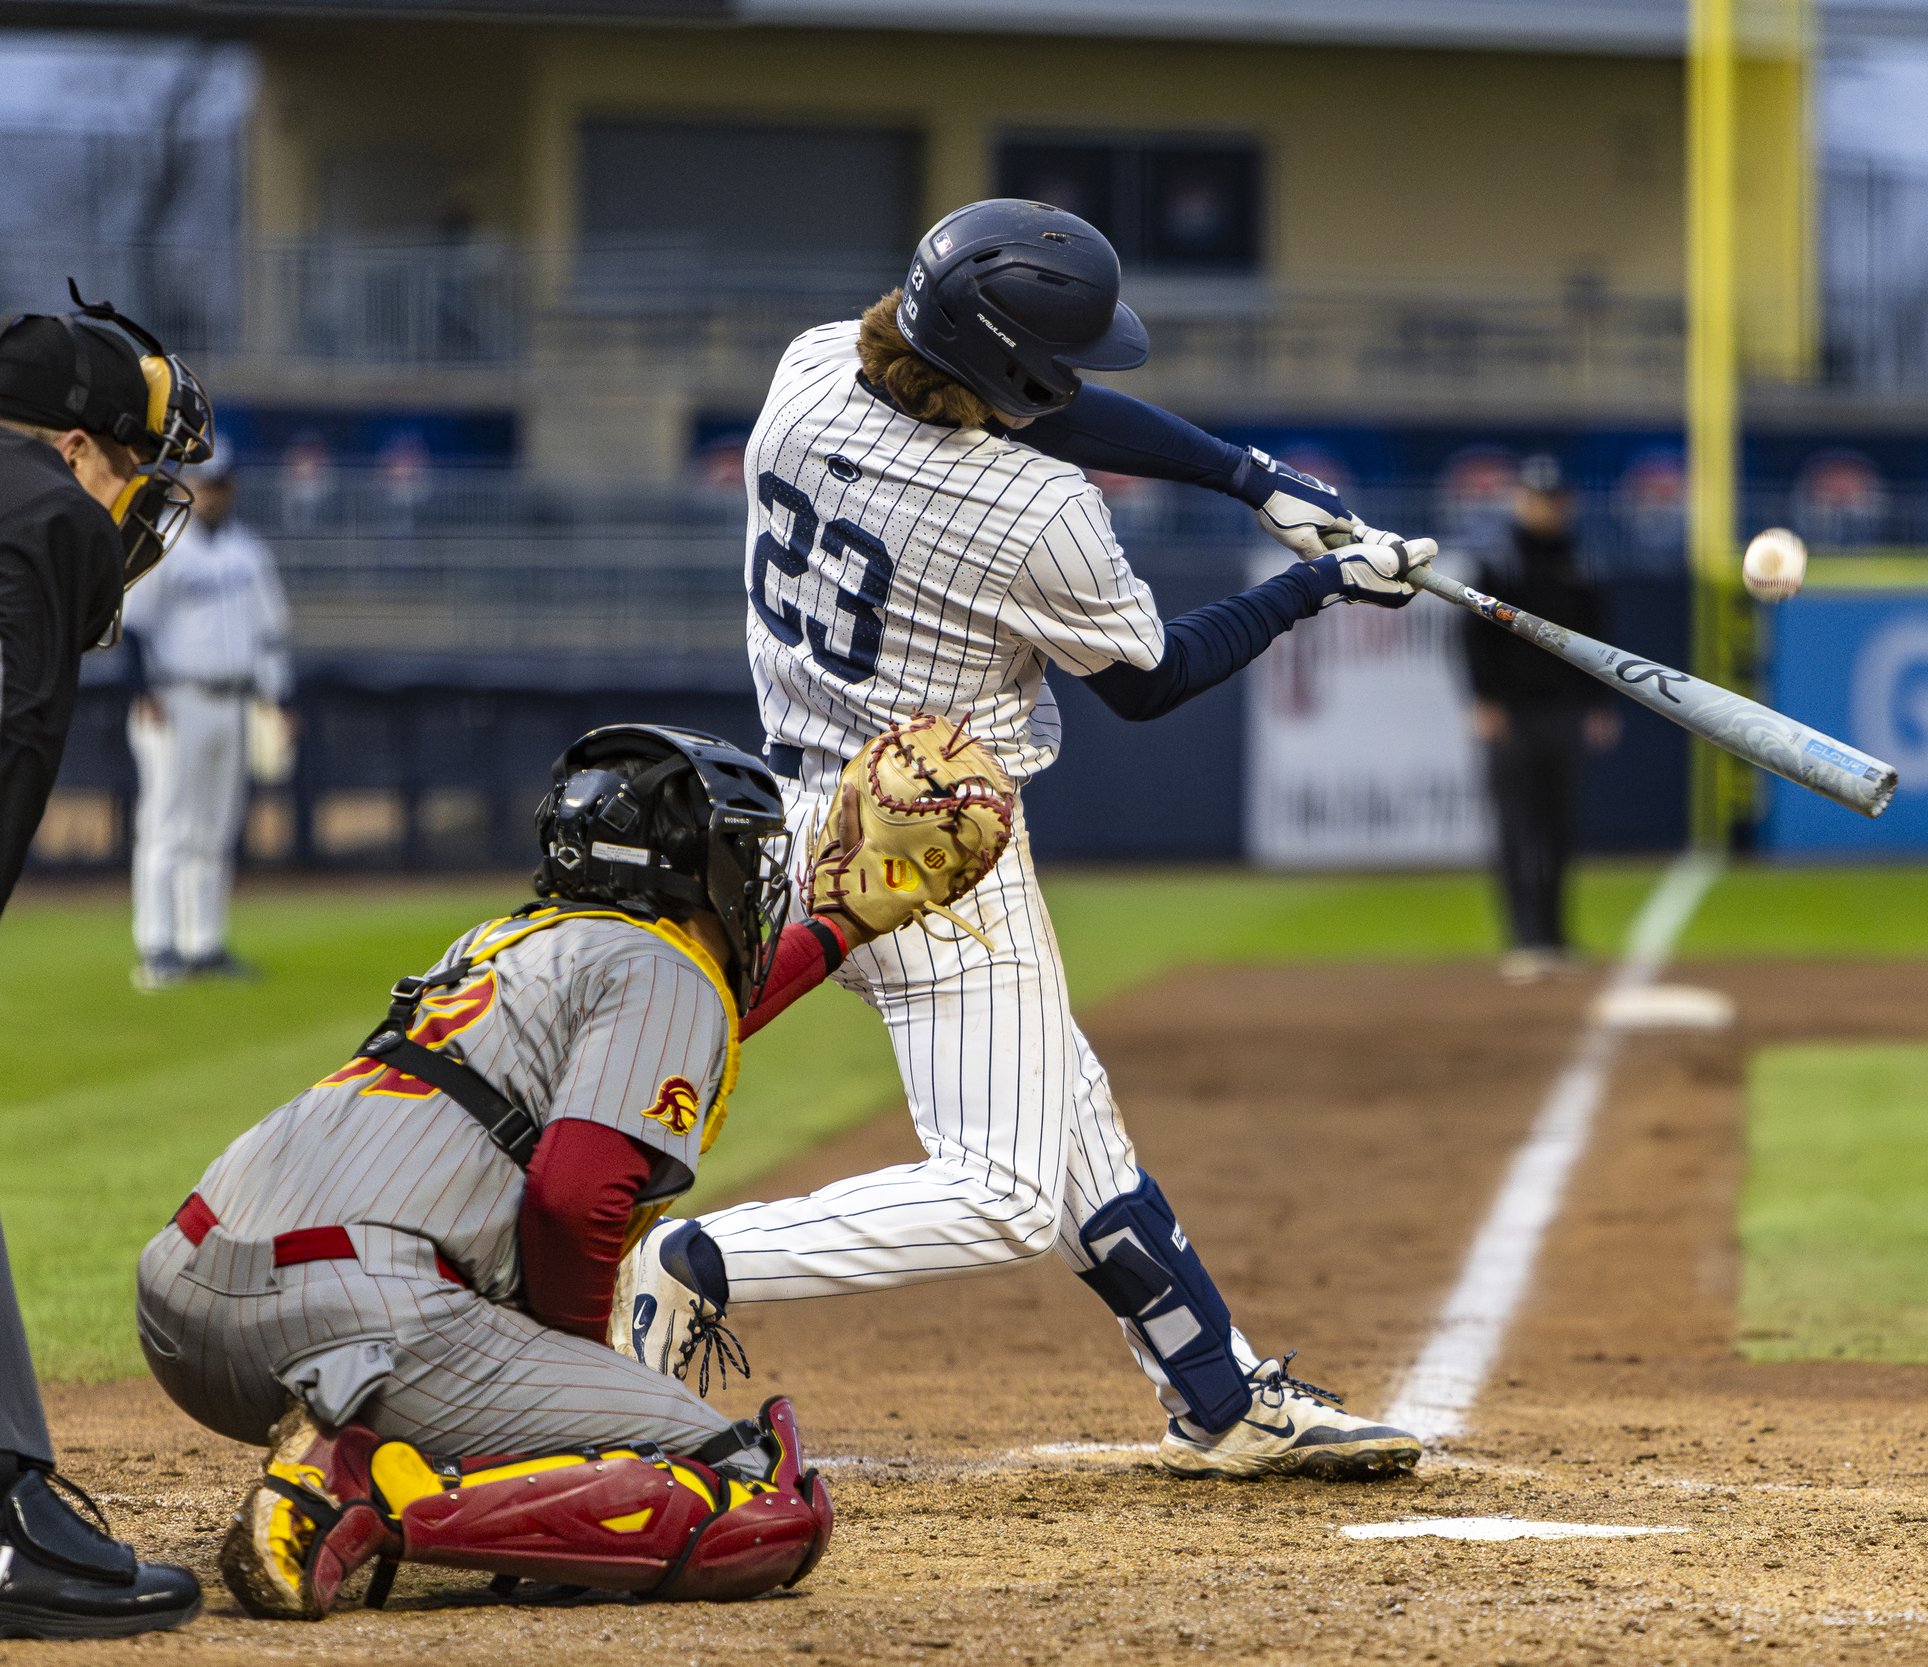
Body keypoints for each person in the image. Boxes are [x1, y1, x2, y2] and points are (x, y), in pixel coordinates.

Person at [616, 198, 1435, 1481]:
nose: (1076, 383)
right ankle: (694, 1261)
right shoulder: (1036, 510)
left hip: (791, 814)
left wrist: (1246, 476)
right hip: (937, 846)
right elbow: (1150, 679)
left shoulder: (813, 362)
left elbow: (1024, 401)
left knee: (1072, 1126)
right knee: (1001, 1190)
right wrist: (1320, 584)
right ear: (1008, 368)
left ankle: (1217, 1396)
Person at [134, 721, 1001, 1620]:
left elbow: (668, 1036)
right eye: (740, 850)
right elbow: (574, 1200)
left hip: (183, 1301)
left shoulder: (500, 943)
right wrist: (575, 1382)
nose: (756, 874)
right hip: (355, 1313)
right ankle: (358, 1494)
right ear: (687, 861)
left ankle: (347, 1446)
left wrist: (837, 929)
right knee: (761, 1498)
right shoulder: (667, 969)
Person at [0, 287, 211, 1640]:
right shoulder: (45, 516)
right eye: (136, 465)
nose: (139, 501)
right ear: (76, 446)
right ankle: (14, 1525)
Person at [122, 449, 292, 989]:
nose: (215, 492)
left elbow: (270, 634)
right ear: (190, 484)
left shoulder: (249, 551)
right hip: (175, 699)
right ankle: (157, 946)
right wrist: (141, 690)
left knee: (216, 830)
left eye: (222, 483)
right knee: (166, 825)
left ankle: (203, 944)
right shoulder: (166, 544)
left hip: (235, 700)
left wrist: (278, 700)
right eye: (206, 482)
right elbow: (134, 628)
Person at [1462, 456, 1619, 985]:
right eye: (1536, 498)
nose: (1547, 508)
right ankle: (1524, 940)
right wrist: (1483, 701)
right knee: (1516, 829)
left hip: (1564, 713)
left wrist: (1599, 705)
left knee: (1559, 831)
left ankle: (1554, 937)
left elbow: (1599, 643)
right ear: (1519, 501)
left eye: (1554, 499)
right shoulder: (1498, 561)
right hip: (1512, 713)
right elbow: (1471, 637)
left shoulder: (1581, 563)